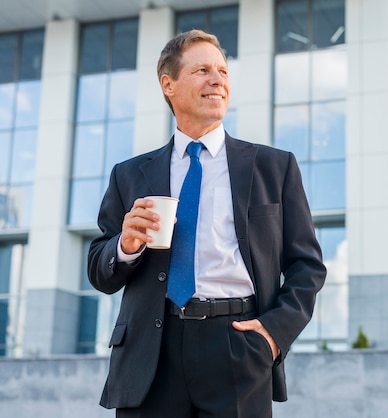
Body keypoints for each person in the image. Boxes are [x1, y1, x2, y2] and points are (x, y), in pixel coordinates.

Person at [88, 29, 326, 418]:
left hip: (237, 346)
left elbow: (307, 267)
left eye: (222, 71)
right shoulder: (129, 175)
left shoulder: (274, 167)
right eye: (202, 70)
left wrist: (272, 334)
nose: (217, 80)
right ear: (169, 84)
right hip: (152, 353)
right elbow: (99, 268)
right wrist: (125, 247)